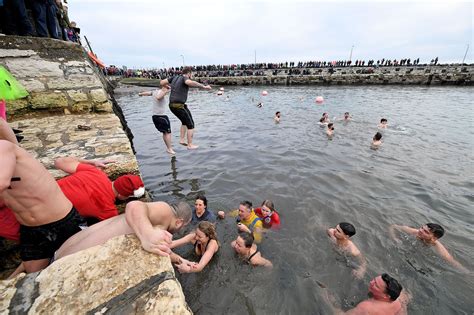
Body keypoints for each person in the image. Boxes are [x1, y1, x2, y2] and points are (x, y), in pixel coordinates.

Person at [1, 121, 86, 274]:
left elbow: (2, 182)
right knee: (32, 274)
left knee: (75, 267)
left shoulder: (4, 147)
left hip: (61, 221)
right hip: (30, 229)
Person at [54, 200, 192, 260]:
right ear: (179, 222)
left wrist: (178, 260)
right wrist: (148, 235)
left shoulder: (159, 219)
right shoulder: (164, 209)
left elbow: (160, 246)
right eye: (183, 227)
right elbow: (134, 206)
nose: (180, 230)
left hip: (60, 252)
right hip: (64, 262)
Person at [160, 66, 211, 150]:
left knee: (184, 121)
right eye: (192, 74)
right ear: (189, 73)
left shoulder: (174, 77)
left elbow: (162, 82)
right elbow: (190, 83)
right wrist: (204, 87)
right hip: (178, 106)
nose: (192, 76)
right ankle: (190, 145)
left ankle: (182, 139)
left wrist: (167, 86)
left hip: (172, 105)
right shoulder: (185, 78)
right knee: (191, 125)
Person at [389, 223, 468, 272]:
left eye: (426, 232)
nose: (420, 231)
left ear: (434, 238)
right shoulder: (415, 232)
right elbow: (393, 226)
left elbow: (451, 261)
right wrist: (395, 239)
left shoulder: (437, 247)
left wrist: (466, 272)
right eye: (422, 228)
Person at [324, 273, 410, 314]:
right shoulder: (401, 298)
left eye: (376, 285)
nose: (371, 282)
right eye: (374, 280)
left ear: (386, 296)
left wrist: (328, 299)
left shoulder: (366, 307)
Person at [138, 85, 175, 155]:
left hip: (155, 117)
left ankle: (168, 148)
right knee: (168, 133)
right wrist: (166, 91)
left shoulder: (155, 91)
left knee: (165, 132)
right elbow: (159, 97)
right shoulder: (162, 92)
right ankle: (169, 148)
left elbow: (148, 93)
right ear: (166, 86)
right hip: (162, 116)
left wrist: (140, 94)